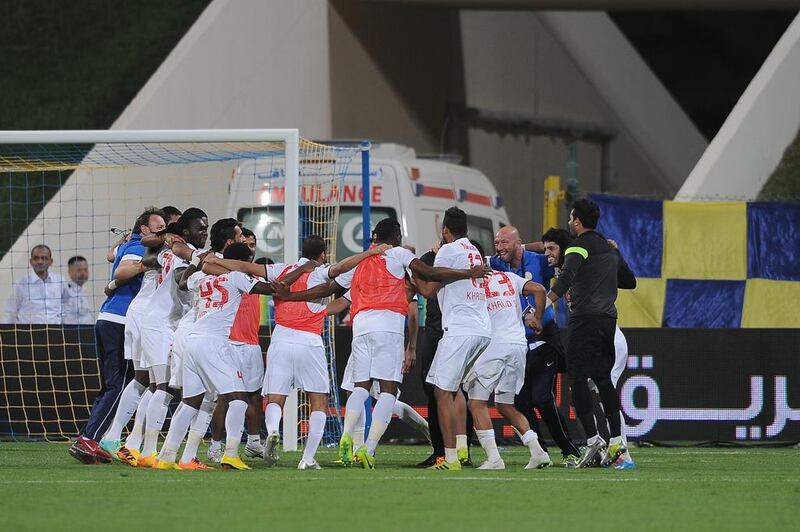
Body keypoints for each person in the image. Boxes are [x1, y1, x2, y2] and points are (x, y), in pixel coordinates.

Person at [155, 243, 279, 471]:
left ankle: (169, 457)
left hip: (192, 342)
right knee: (239, 399)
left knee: (190, 402)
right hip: (214, 343)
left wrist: (196, 264)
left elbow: (183, 282)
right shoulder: (237, 278)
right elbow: (271, 289)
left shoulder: (202, 278)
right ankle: (231, 454)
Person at [68, 208, 167, 464]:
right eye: (158, 228)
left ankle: (91, 438)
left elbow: (110, 255)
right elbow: (123, 271)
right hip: (120, 319)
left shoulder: (130, 243)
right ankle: (89, 439)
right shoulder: (139, 248)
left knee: (112, 384)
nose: (162, 232)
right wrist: (136, 268)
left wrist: (119, 243)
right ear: (143, 229)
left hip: (108, 318)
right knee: (119, 384)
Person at [545, 198, 636, 468]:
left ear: (577, 221)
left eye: (571, 218)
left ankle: (593, 439)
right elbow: (629, 282)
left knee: (576, 380)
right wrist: (613, 259)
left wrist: (544, 305)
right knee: (604, 381)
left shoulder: (578, 247)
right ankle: (618, 444)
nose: (570, 222)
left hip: (584, 320)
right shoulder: (608, 250)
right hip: (608, 320)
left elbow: (567, 277)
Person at [492, 226, 581, 466]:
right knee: (519, 402)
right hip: (519, 343)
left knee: (543, 398)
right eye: (497, 243)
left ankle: (569, 450)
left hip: (544, 339)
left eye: (504, 243)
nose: (499, 248)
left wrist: (603, 247)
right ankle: (541, 452)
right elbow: (473, 263)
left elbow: (564, 254)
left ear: (518, 244)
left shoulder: (540, 262)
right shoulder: (496, 263)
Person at [98, 207, 180, 464]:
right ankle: (138, 445)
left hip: (145, 315)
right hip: (149, 316)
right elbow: (123, 268)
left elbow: (113, 257)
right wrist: (113, 283)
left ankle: (119, 438)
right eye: (167, 227)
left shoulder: (159, 244)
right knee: (158, 384)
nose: (169, 231)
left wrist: (111, 282)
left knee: (143, 381)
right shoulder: (164, 246)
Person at [463, 240, 552, 470]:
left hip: (494, 345)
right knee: (505, 405)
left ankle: (494, 458)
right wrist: (537, 318)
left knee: (476, 403)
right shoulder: (509, 277)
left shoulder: (471, 282)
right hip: (517, 345)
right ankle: (538, 452)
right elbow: (540, 290)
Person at [416, 207, 492, 471]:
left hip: (460, 329)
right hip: (481, 328)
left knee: (441, 392)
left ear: (445, 231)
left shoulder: (447, 250)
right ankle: (461, 450)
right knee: (453, 387)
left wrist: (410, 268)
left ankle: (449, 459)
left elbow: (428, 289)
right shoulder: (473, 250)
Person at [136, 208, 208, 467]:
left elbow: (149, 261)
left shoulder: (174, 250)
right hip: (161, 324)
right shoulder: (183, 253)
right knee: (162, 389)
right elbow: (180, 280)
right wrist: (196, 266)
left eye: (207, 229)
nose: (205, 233)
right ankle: (147, 451)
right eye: (201, 229)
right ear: (186, 231)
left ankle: (143, 448)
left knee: (158, 388)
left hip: (162, 322)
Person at [5, 245, 70, 324]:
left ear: (51, 262)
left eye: (44, 258)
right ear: (31, 261)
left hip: (56, 333)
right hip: (28, 334)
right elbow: (11, 313)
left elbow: (67, 305)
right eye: (36, 258)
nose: (40, 262)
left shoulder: (60, 281)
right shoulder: (21, 284)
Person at [62, 256, 94, 325]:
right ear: (69, 272)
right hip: (71, 332)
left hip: (87, 331)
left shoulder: (84, 291)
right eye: (79, 270)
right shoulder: (65, 291)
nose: (83, 273)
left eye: (85, 270)